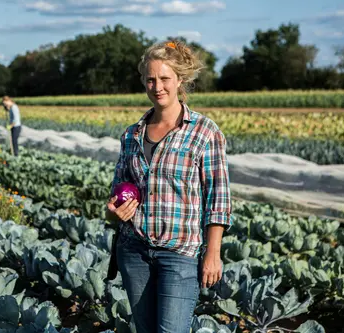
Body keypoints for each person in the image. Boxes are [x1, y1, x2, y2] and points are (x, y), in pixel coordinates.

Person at [106, 40, 233, 333]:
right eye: (150, 79)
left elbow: (219, 197)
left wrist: (213, 254)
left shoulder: (204, 132)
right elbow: (119, 187)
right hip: (134, 250)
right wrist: (113, 211)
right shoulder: (131, 134)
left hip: (178, 254)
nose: (157, 86)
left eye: (164, 78)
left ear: (179, 80)